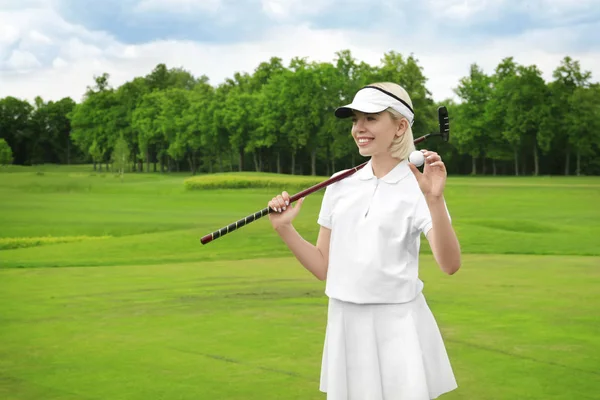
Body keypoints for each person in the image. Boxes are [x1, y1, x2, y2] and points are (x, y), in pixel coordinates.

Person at [267, 82, 461, 399]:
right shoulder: (339, 184)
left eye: (371, 118)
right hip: (345, 321)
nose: (359, 128)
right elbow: (322, 267)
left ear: (400, 127)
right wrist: (284, 228)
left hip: (397, 325)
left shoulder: (420, 186)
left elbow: (450, 264)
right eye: (356, 119)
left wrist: (434, 200)